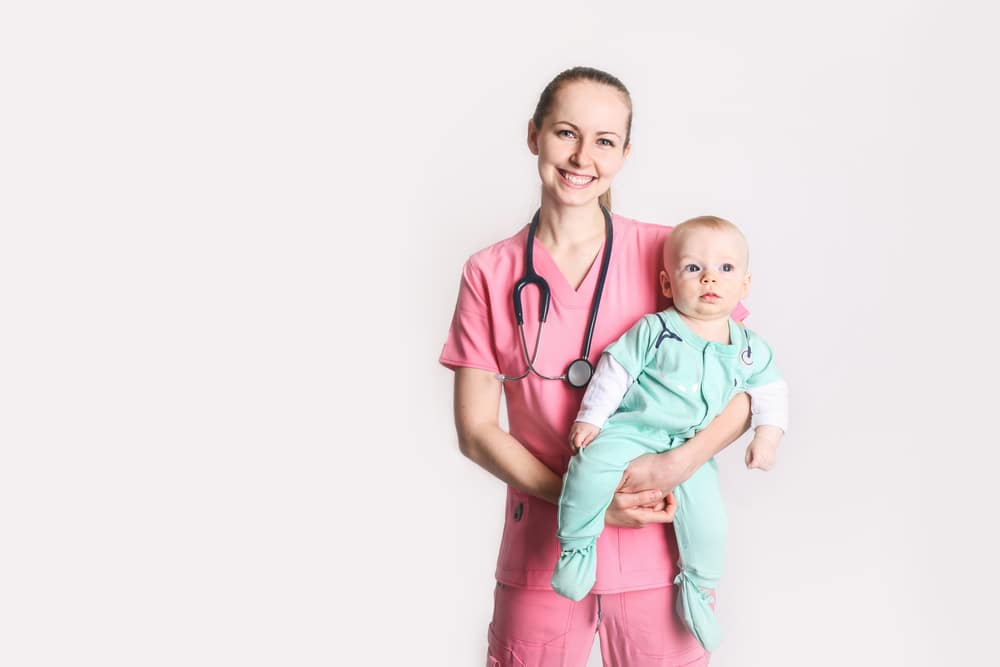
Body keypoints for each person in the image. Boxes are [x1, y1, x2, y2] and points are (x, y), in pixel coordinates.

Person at [440, 66, 754, 667]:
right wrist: (583, 501)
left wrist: (678, 463)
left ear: (624, 154)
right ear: (533, 135)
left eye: (605, 141)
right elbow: (476, 431)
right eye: (566, 133)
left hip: (659, 552)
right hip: (543, 554)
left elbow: (745, 389)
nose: (583, 157)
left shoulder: (672, 253)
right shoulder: (490, 272)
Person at [551, 216, 789, 652]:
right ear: (667, 282)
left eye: (725, 269)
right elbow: (616, 370)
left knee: (709, 522)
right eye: (693, 268)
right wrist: (592, 419)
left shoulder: (749, 347)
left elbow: (770, 392)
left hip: (692, 449)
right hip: (633, 431)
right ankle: (576, 547)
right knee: (588, 466)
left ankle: (698, 589)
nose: (709, 279)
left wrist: (767, 438)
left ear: (745, 285)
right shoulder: (656, 330)